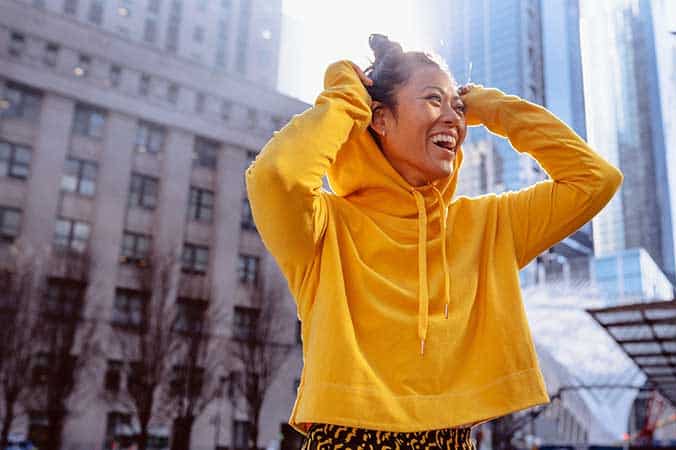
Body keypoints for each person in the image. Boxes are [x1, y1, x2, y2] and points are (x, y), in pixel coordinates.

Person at [245, 34, 622, 449]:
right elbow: (275, 176)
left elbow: (595, 181)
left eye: (457, 107)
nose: (453, 119)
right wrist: (345, 100)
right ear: (381, 119)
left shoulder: (488, 226)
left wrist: (497, 110)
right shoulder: (324, 227)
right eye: (432, 100)